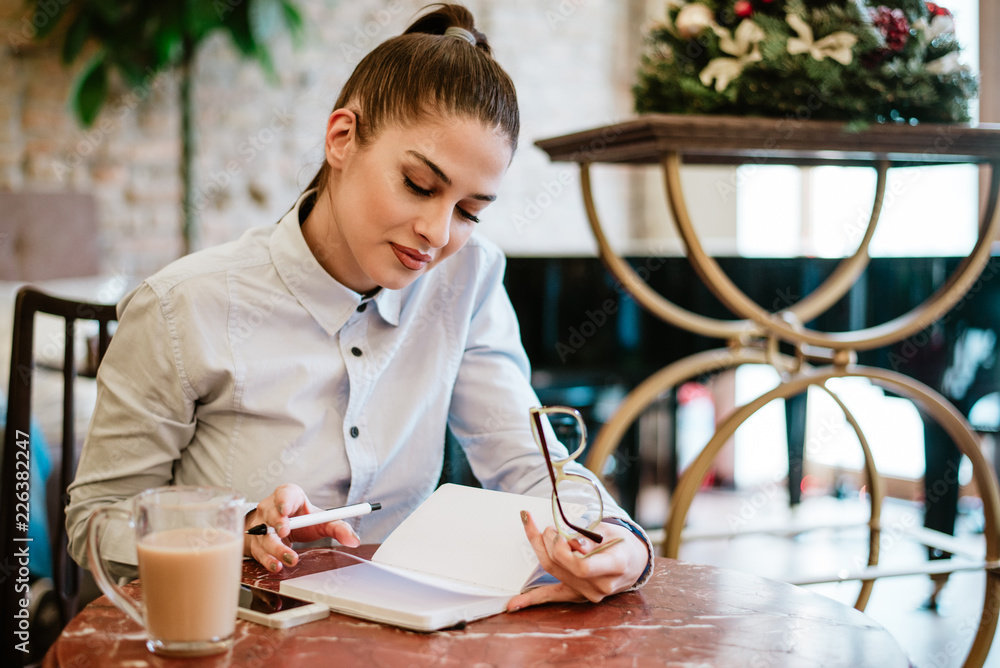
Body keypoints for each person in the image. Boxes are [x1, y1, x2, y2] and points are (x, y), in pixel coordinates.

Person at [66, 3, 651, 610]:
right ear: (342, 137)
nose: (436, 230)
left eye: (470, 211)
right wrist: (236, 532)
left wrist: (618, 538)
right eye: (419, 185)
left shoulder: (467, 280)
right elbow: (95, 522)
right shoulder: (183, 306)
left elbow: (530, 466)